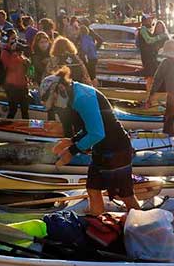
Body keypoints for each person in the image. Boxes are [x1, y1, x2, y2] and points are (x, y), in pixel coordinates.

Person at [51, 67, 140, 215]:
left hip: (115, 149)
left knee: (125, 195)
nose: (54, 104)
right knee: (93, 189)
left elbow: (97, 133)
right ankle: (98, 223)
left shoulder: (82, 98)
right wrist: (72, 140)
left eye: (53, 99)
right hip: (103, 150)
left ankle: (144, 227)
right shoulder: (75, 92)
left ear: (61, 89)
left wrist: (71, 152)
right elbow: (90, 126)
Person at [0, 31, 31, 119]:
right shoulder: (5, 52)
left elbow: (28, 65)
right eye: (12, 38)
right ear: (7, 40)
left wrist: (26, 61)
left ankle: (26, 129)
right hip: (12, 86)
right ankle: (6, 128)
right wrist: (13, 52)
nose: (15, 41)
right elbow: (10, 65)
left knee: (25, 109)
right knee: (13, 109)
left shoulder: (19, 51)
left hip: (23, 85)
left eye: (15, 38)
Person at [137, 14, 168, 91]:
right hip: (147, 58)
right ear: (145, 21)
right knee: (150, 77)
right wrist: (160, 36)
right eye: (149, 20)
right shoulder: (143, 29)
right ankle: (149, 95)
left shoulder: (147, 30)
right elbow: (149, 40)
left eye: (151, 19)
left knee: (152, 76)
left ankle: (152, 93)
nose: (151, 21)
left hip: (151, 58)